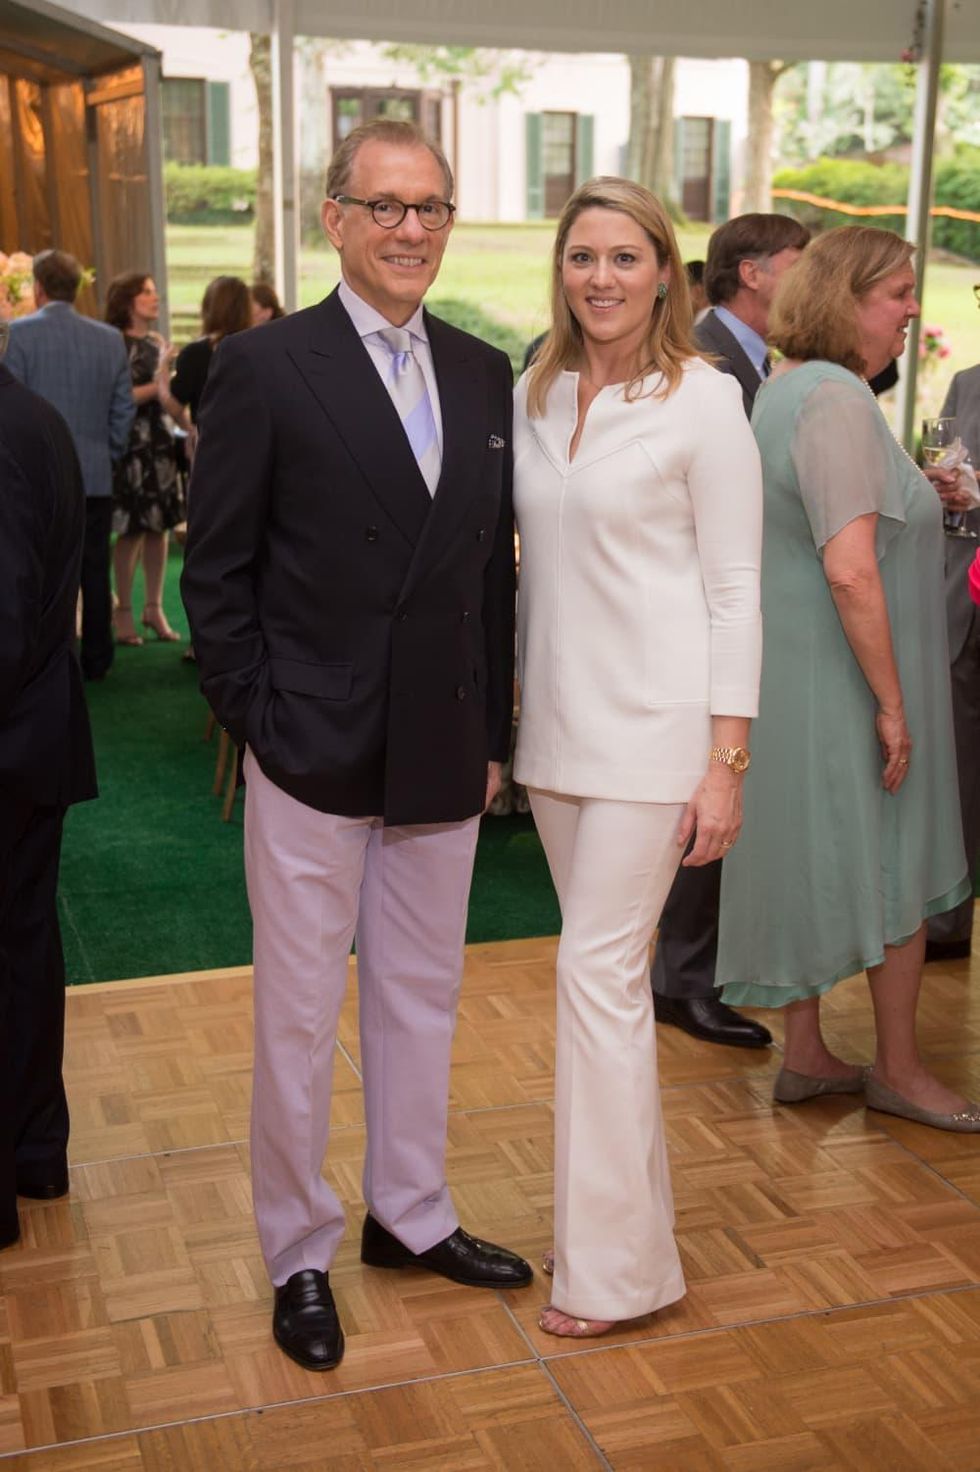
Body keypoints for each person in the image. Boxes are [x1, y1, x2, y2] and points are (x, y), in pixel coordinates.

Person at [181, 118, 529, 1373]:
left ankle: (412, 1214)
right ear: (332, 218)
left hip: (440, 749)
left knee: (419, 996)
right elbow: (213, 574)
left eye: (430, 207)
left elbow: (486, 578)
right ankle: (297, 1250)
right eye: (384, 206)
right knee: (295, 1013)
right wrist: (259, 719)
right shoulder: (266, 367)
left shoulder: (486, 374)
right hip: (309, 747)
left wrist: (490, 734)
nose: (410, 230)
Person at [513, 177, 763, 1337]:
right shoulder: (536, 385)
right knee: (597, 986)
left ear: (667, 273)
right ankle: (625, 1243)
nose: (600, 278)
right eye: (581, 257)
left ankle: (609, 1273)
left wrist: (726, 759)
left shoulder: (703, 399)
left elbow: (733, 588)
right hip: (553, 740)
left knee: (596, 979)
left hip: (657, 739)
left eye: (624, 257)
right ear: (558, 269)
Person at [717, 226, 976, 1132]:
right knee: (890, 858)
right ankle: (900, 1069)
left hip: (804, 668)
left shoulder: (793, 389)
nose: (913, 309)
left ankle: (810, 1052)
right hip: (847, 676)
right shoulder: (831, 398)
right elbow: (850, 568)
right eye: (898, 292)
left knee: (815, 849)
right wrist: (895, 705)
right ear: (847, 299)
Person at [651, 212, 809, 1049]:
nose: (808, 280)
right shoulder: (707, 361)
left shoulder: (752, 361)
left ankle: (689, 972)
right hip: (694, 619)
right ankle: (681, 981)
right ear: (752, 273)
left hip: (738, 610)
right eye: (798, 264)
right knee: (700, 795)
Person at [0, 319, 98, 1248]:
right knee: (25, 948)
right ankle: (33, 1150)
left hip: (10, 739)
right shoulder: (32, 420)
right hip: (35, 739)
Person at [5, 250, 134, 681]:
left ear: (38, 287)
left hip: (32, 478)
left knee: (34, 569)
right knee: (94, 568)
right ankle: (97, 657)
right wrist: (108, 453)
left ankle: (48, 658)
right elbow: (123, 410)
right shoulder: (109, 338)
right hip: (94, 473)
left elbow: (13, 407)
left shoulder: (18, 335)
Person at [921, 320, 980, 964]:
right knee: (957, 771)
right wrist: (946, 495)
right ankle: (946, 923)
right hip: (964, 603)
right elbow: (946, 482)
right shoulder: (967, 383)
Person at [105, 272, 189, 646]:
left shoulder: (157, 341)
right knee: (131, 529)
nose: (157, 299)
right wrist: (159, 383)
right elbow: (118, 396)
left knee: (160, 527)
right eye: (148, 293)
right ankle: (122, 610)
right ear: (128, 302)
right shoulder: (114, 343)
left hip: (159, 442)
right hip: (129, 445)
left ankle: (153, 607)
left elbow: (166, 395)